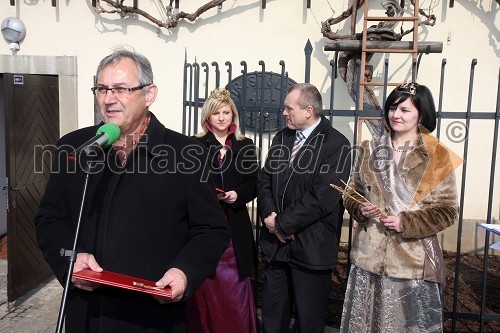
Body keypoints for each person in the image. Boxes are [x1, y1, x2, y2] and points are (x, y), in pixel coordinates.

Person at [34, 48, 230, 333]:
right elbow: (49, 219)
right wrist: (70, 258)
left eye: (121, 89)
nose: (109, 99)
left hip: (153, 317)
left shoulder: (187, 154)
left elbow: (212, 230)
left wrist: (185, 272)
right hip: (88, 314)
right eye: (102, 88)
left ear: (149, 94)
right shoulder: (74, 147)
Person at [339, 82, 459, 332]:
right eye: (393, 107)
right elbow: (351, 192)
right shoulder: (368, 149)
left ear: (421, 114)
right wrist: (360, 209)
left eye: (405, 110)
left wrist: (406, 222)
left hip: (411, 263)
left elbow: (448, 211)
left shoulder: (437, 156)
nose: (396, 114)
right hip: (369, 259)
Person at [257, 83, 351, 333]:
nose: (284, 113)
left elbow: (322, 197)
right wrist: (269, 215)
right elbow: (265, 178)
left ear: (308, 110)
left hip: (311, 248)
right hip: (278, 247)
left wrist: (283, 224)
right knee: (273, 318)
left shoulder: (337, 145)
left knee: (308, 322)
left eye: (289, 108)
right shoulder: (282, 137)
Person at [187, 87, 260, 332]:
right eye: (216, 113)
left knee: (234, 290)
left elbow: (253, 183)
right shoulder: (194, 145)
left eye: (226, 112)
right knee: (206, 288)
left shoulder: (245, 145)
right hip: (204, 226)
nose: (221, 117)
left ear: (233, 115)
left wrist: (237, 195)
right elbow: (186, 184)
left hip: (234, 227)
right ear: (207, 116)